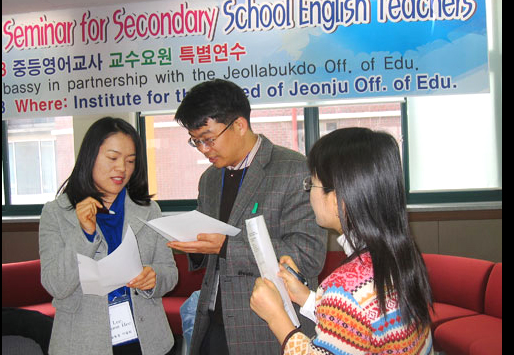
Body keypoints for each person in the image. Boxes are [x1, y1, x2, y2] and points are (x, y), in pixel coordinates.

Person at [168, 79, 328, 355]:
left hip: (265, 328)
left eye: (208, 138)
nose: (204, 149)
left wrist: (226, 246)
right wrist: (191, 245)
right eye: (196, 142)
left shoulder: (293, 170)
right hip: (212, 323)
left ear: (239, 125)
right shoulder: (209, 179)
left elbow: (308, 254)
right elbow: (211, 247)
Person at [250, 127, 434, 354]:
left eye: (312, 184)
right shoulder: (399, 256)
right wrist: (306, 298)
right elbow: (359, 325)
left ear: (337, 200)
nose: (309, 193)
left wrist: (276, 317)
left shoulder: (345, 287)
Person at [39, 117, 178, 355]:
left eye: (130, 161)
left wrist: (154, 278)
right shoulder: (56, 213)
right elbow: (56, 285)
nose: (122, 168)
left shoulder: (149, 210)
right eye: (113, 158)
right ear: (90, 156)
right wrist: (84, 233)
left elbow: (170, 272)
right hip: (83, 342)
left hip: (145, 340)